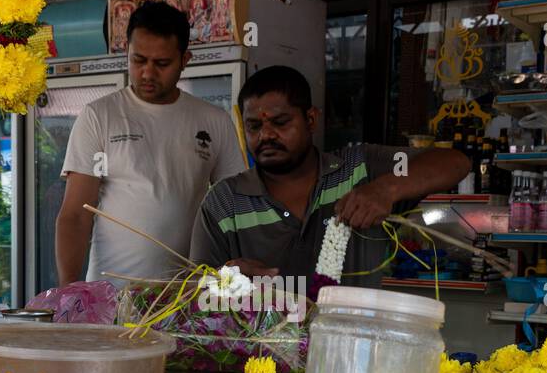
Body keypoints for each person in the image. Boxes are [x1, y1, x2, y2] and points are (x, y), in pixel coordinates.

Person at [189, 65, 473, 288]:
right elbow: (192, 293)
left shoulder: (360, 169)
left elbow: (455, 162)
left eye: (280, 122)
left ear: (311, 119)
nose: (266, 135)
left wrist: (387, 189)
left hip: (354, 353)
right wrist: (223, 281)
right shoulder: (224, 203)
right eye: (253, 127)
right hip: (260, 360)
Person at [56, 0, 246, 286]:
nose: (147, 73)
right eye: (138, 60)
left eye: (162, 64)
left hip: (187, 298)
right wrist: (69, 290)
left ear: (185, 60)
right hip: (112, 298)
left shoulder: (214, 121)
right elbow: (75, 215)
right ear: (127, 53)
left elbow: (235, 209)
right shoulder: (99, 116)